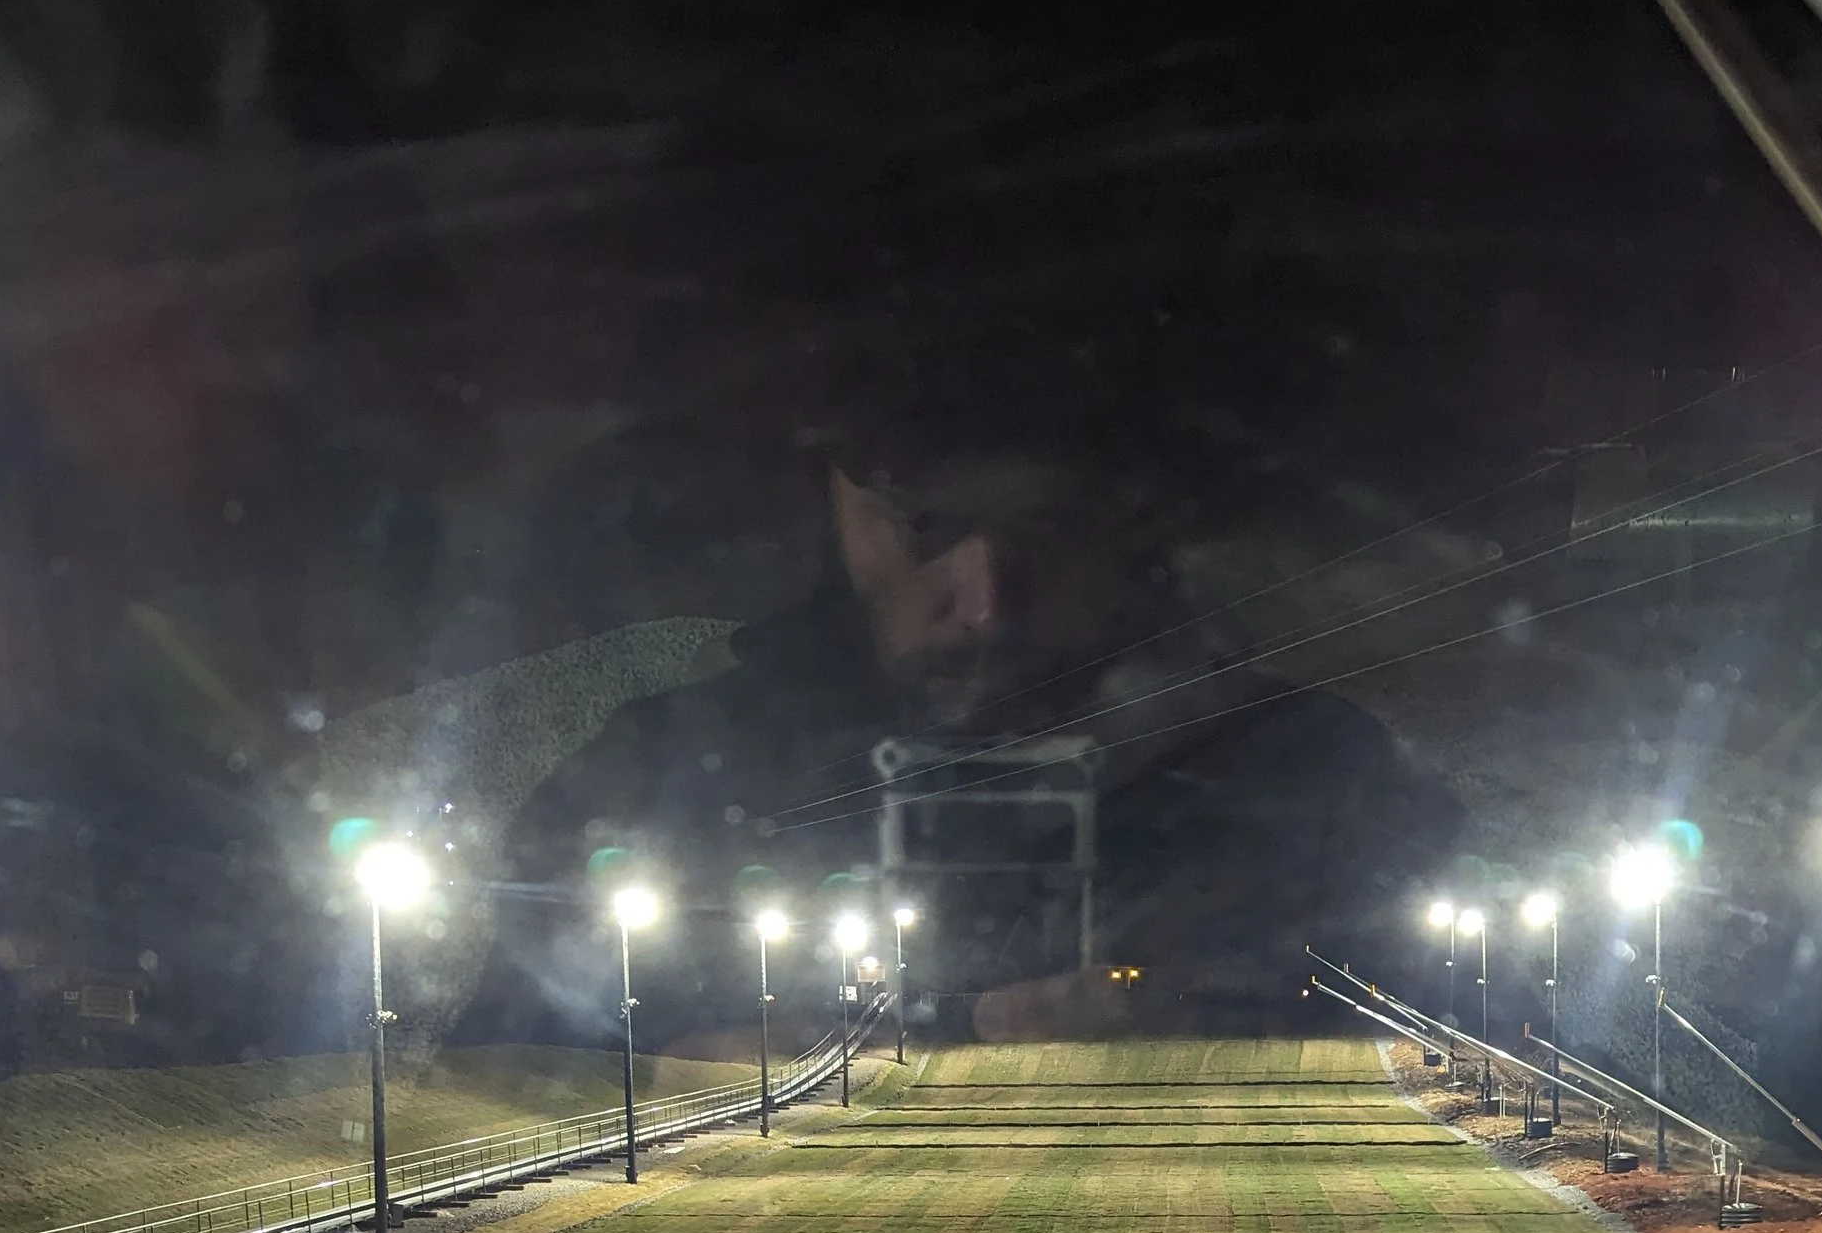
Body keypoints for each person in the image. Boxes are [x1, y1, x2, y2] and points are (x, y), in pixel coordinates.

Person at [501, 369, 1450, 1043]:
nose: (986, 602)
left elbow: (1469, 1035)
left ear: (1138, 524)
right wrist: (710, 1069)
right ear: (837, 509)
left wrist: (1225, 1019)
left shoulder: (1315, 779)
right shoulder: (662, 781)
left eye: (1051, 531)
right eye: (925, 528)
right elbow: (496, 1054)